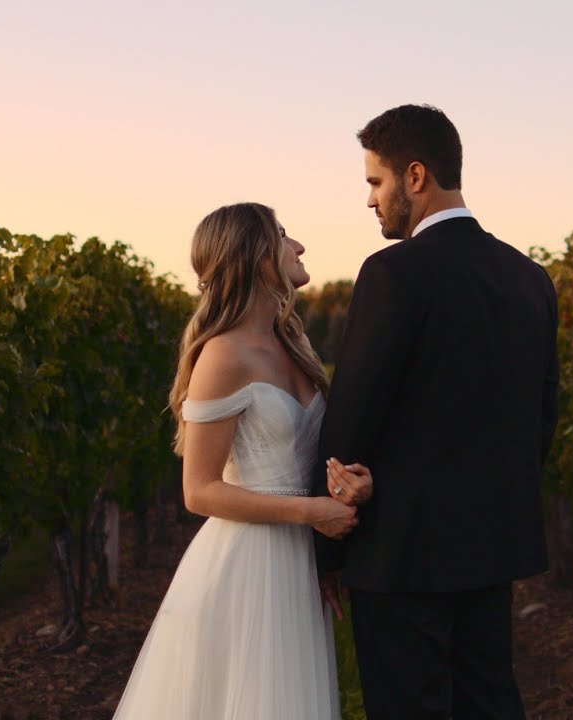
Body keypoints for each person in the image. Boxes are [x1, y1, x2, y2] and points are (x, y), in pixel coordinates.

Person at [315, 104, 560, 719]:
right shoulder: (530, 278)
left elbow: (354, 419)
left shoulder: (394, 273)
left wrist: (327, 546)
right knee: (488, 703)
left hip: (401, 553)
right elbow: (541, 419)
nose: (371, 200)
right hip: (492, 547)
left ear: (415, 176)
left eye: (376, 181)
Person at [112, 202, 371, 720]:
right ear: (254, 255)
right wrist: (312, 513)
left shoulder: (294, 341)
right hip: (250, 564)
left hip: (300, 564)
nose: (298, 246)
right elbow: (199, 490)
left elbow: (308, 459)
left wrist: (346, 490)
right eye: (281, 234)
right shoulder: (223, 355)